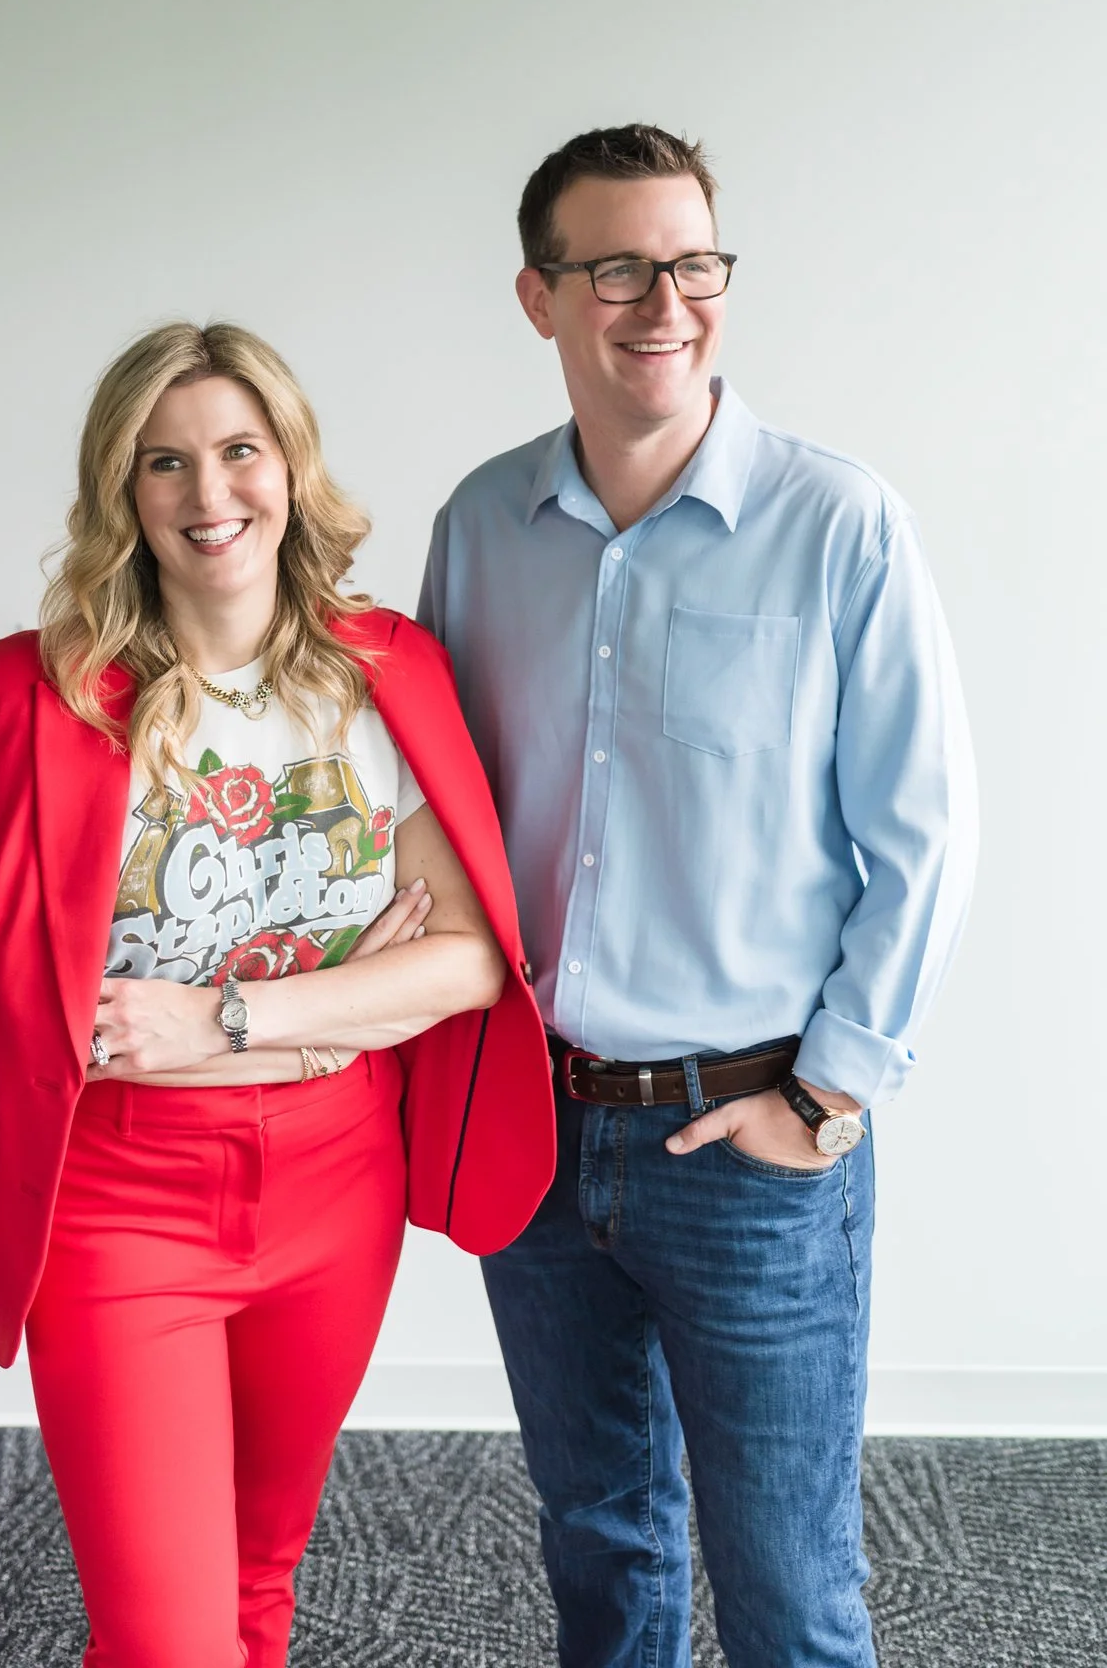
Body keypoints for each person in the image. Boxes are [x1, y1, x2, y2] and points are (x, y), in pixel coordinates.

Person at [0, 319, 555, 1668]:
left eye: (238, 450)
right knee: (166, 1641)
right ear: (123, 490)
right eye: (164, 463)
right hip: (114, 1200)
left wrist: (220, 1023)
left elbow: (464, 964)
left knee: (253, 1587)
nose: (208, 494)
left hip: (335, 1185)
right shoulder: (25, 695)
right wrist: (351, 989)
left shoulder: (386, 678)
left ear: (291, 466)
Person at [418, 123, 978, 1668]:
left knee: (787, 1588)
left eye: (691, 264)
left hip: (746, 1146)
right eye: (614, 267)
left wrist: (830, 1094)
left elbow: (923, 836)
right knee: (600, 1554)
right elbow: (437, 825)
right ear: (538, 297)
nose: (660, 301)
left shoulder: (838, 521)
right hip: (534, 1136)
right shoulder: (477, 527)